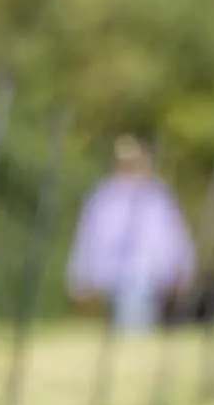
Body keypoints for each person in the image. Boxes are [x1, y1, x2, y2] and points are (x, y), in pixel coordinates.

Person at [66, 136, 197, 332]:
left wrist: (183, 270)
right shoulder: (103, 198)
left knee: (134, 315)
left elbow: (175, 238)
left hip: (149, 275)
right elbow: (87, 238)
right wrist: (80, 277)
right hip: (112, 275)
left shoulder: (158, 197)